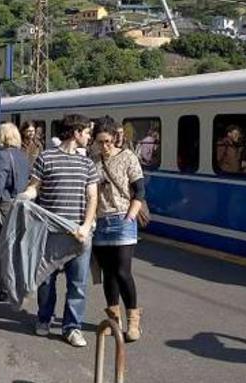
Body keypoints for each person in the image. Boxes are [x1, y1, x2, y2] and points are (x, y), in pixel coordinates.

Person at [19, 113, 99, 348]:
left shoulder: (87, 163)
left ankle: (72, 327)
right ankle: (44, 318)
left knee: (78, 283)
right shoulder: (46, 158)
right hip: (50, 232)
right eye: (86, 133)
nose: (88, 137)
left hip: (78, 233)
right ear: (76, 133)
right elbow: (35, 188)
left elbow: (92, 197)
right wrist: (25, 196)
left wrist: (85, 226)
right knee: (46, 280)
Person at [91, 118, 145, 342]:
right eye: (99, 142)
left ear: (114, 138)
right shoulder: (92, 160)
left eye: (107, 141)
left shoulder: (127, 157)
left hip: (123, 220)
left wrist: (130, 215)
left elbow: (139, 190)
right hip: (101, 222)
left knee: (123, 271)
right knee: (109, 274)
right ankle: (114, 318)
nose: (103, 146)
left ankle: (134, 320)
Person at [0, 123, 30, 251]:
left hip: (4, 206)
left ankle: (2, 270)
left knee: (1, 246)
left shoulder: (2, 156)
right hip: (21, 204)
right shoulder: (23, 156)